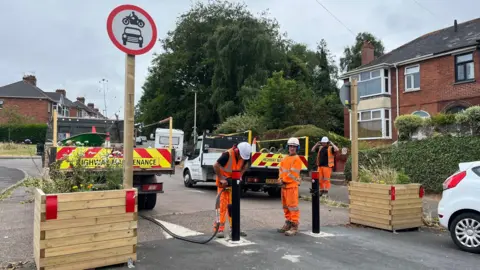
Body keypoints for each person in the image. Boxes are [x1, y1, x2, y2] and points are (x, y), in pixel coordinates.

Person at [213, 141, 252, 238]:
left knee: (233, 207)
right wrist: (221, 178)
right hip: (223, 183)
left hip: (233, 184)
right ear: (237, 151)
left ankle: (234, 228)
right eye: (241, 156)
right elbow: (215, 166)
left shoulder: (245, 156)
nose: (242, 159)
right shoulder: (227, 155)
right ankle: (220, 228)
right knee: (222, 206)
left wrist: (240, 175)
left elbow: (245, 166)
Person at [277, 137, 303, 236]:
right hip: (284, 187)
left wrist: (283, 180)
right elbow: (281, 170)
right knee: (286, 207)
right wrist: (280, 179)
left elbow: (293, 174)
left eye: (294, 146)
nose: (292, 148)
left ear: (297, 148)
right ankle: (288, 222)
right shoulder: (285, 159)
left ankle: (294, 225)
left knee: (293, 207)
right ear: (288, 147)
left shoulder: (297, 159)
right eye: (290, 146)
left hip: (291, 187)